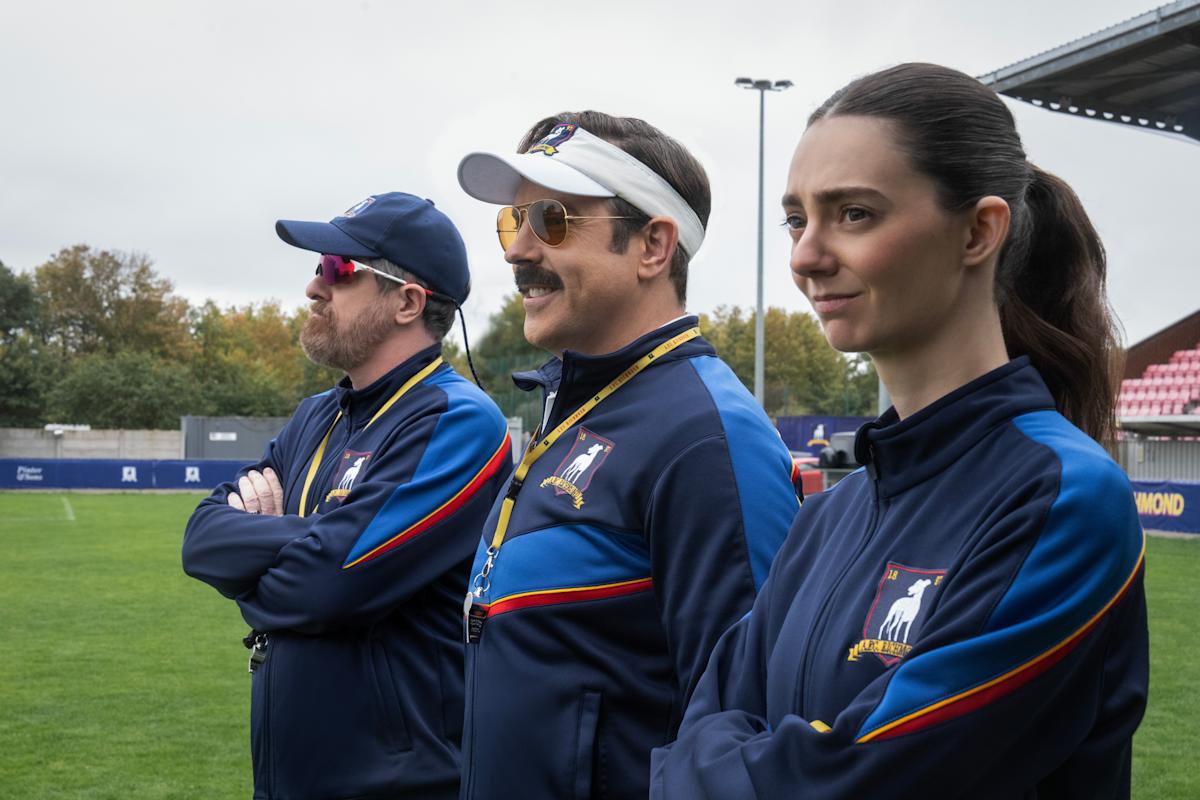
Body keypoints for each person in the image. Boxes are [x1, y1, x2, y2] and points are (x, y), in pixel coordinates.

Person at [651, 63, 1149, 799]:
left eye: (854, 213)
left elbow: (860, 782)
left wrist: (717, 769)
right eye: (797, 220)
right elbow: (694, 730)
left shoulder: (1063, 499)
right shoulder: (826, 518)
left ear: (979, 231)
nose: (805, 256)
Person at [453, 112, 802, 799]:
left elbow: (748, 736)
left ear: (652, 246)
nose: (517, 250)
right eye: (513, 221)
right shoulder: (581, 404)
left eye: (551, 220)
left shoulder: (707, 438)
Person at [181, 192, 513, 800]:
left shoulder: (457, 419)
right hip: (288, 779)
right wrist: (318, 535)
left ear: (408, 302)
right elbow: (201, 539)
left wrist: (265, 562)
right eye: (318, 267)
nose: (314, 286)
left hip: (400, 785)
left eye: (337, 269)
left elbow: (324, 586)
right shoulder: (316, 414)